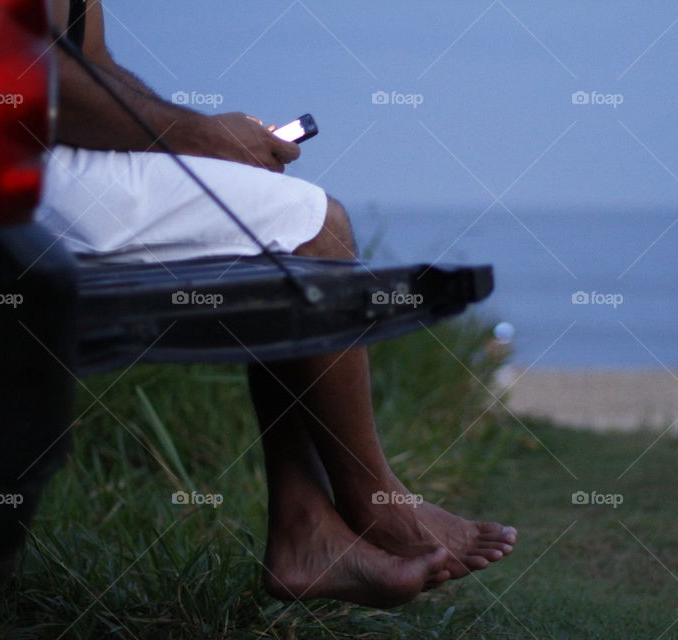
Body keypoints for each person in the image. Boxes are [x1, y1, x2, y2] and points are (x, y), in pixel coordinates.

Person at [41, 0, 517, 609]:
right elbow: (20, 78)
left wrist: (192, 138)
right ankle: (371, 504)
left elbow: (88, 61)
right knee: (310, 225)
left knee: (277, 217)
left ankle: (307, 531)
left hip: (35, 154)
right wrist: (196, 136)